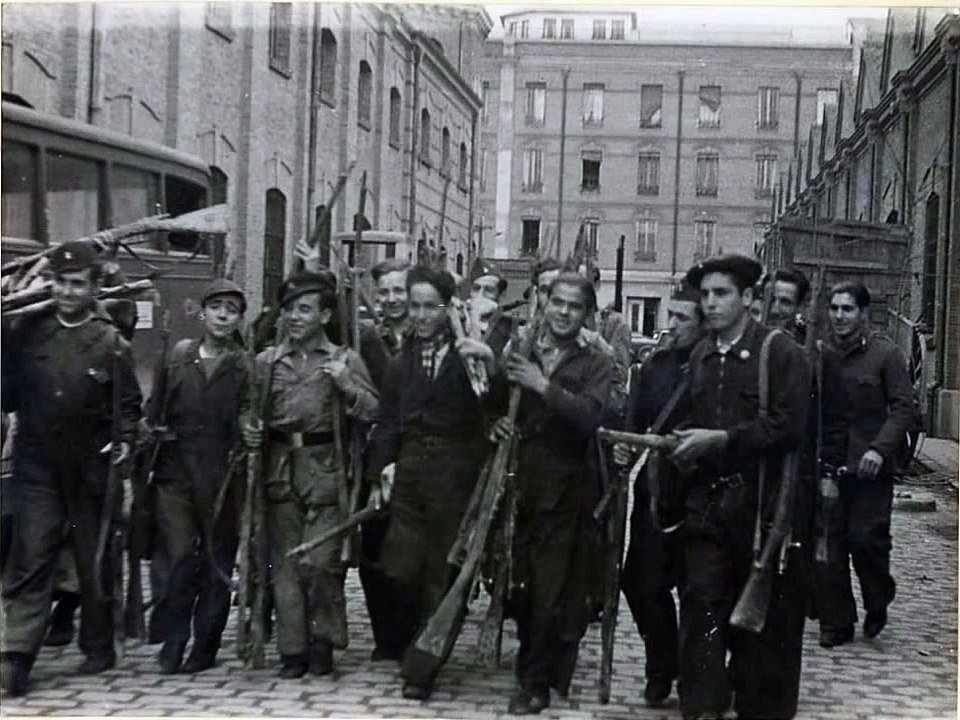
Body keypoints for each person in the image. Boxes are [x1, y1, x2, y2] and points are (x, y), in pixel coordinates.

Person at [671, 254, 810, 720]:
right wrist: (682, 444)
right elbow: (693, 415)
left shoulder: (779, 352)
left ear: (748, 298)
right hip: (709, 505)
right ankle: (703, 706)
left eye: (722, 293)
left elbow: (789, 428)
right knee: (701, 606)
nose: (710, 303)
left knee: (763, 625)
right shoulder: (701, 355)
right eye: (705, 295)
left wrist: (722, 439)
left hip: (762, 508)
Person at [1, 241, 142, 697]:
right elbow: (6, 394)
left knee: (91, 558)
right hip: (38, 464)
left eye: (77, 284)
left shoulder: (110, 343)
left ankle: (98, 643)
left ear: (94, 288)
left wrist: (124, 441)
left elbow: (128, 405)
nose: (67, 292)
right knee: (31, 554)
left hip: (90, 467)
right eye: (60, 282)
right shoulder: (28, 332)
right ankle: (17, 655)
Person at [365, 265, 494, 700]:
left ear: (448, 308)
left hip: (455, 475)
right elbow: (387, 423)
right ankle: (417, 640)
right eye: (415, 306)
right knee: (400, 567)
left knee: (441, 569)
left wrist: (488, 369)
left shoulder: (467, 357)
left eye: (431, 307)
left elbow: (492, 407)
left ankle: (423, 666)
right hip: (409, 474)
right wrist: (378, 473)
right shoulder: (401, 363)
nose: (421, 316)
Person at [243, 271, 378, 679]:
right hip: (280, 469)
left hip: (327, 470)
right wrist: (248, 427)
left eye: (304, 309)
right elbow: (248, 408)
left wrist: (347, 387)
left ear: (324, 316)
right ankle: (293, 650)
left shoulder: (345, 360)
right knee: (284, 565)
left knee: (320, 563)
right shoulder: (268, 362)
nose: (294, 317)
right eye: (289, 310)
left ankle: (323, 641)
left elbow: (374, 410)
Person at [490, 272, 615, 715]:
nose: (563, 312)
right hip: (518, 481)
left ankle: (537, 681)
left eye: (574, 306)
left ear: (587, 314)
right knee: (518, 584)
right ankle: (530, 663)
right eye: (557, 302)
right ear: (544, 303)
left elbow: (590, 417)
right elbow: (493, 401)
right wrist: (496, 423)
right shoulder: (522, 350)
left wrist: (543, 385)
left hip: (565, 489)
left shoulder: (596, 362)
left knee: (551, 589)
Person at [148, 279, 250, 674]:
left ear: (239, 319)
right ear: (203, 312)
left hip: (224, 473)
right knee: (177, 557)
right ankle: (173, 639)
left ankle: (205, 644)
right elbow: (154, 410)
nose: (223, 315)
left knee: (215, 559)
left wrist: (250, 429)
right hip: (176, 472)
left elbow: (251, 413)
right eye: (217, 307)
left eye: (232, 310)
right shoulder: (178, 357)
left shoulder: (244, 366)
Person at [615, 281, 704, 708]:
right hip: (655, 489)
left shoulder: (715, 367)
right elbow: (635, 423)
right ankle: (661, 663)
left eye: (683, 317)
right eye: (671, 315)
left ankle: (694, 673)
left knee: (696, 589)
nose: (672, 324)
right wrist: (624, 448)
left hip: (701, 493)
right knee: (640, 582)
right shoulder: (655, 365)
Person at [814, 281, 913, 645]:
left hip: (870, 468)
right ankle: (836, 621)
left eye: (848, 309)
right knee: (829, 545)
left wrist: (879, 450)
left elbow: (903, 409)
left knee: (866, 539)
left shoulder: (885, 355)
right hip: (830, 465)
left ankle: (877, 598)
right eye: (834, 308)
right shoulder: (819, 353)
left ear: (864, 313)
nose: (839, 316)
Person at [765, 269, 848, 640]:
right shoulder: (751, 345)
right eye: (772, 299)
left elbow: (835, 420)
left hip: (801, 467)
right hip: (757, 465)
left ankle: (824, 616)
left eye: (785, 302)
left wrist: (829, 471)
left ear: (798, 307)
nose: (776, 308)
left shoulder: (817, 356)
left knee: (806, 545)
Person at [371, 258, 413, 356]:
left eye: (399, 291)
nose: (391, 299)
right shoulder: (370, 340)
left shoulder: (426, 335)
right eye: (384, 292)